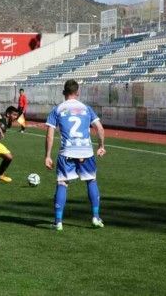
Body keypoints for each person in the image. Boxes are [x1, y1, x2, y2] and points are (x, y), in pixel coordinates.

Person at [44, 79, 106, 232]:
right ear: (78, 92)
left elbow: (50, 135)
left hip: (67, 152)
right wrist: (101, 146)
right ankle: (95, 217)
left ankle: (58, 222)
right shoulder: (86, 108)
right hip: (86, 151)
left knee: (62, 183)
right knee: (91, 181)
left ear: (64, 92)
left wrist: (48, 156)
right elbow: (100, 128)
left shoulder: (57, 109)